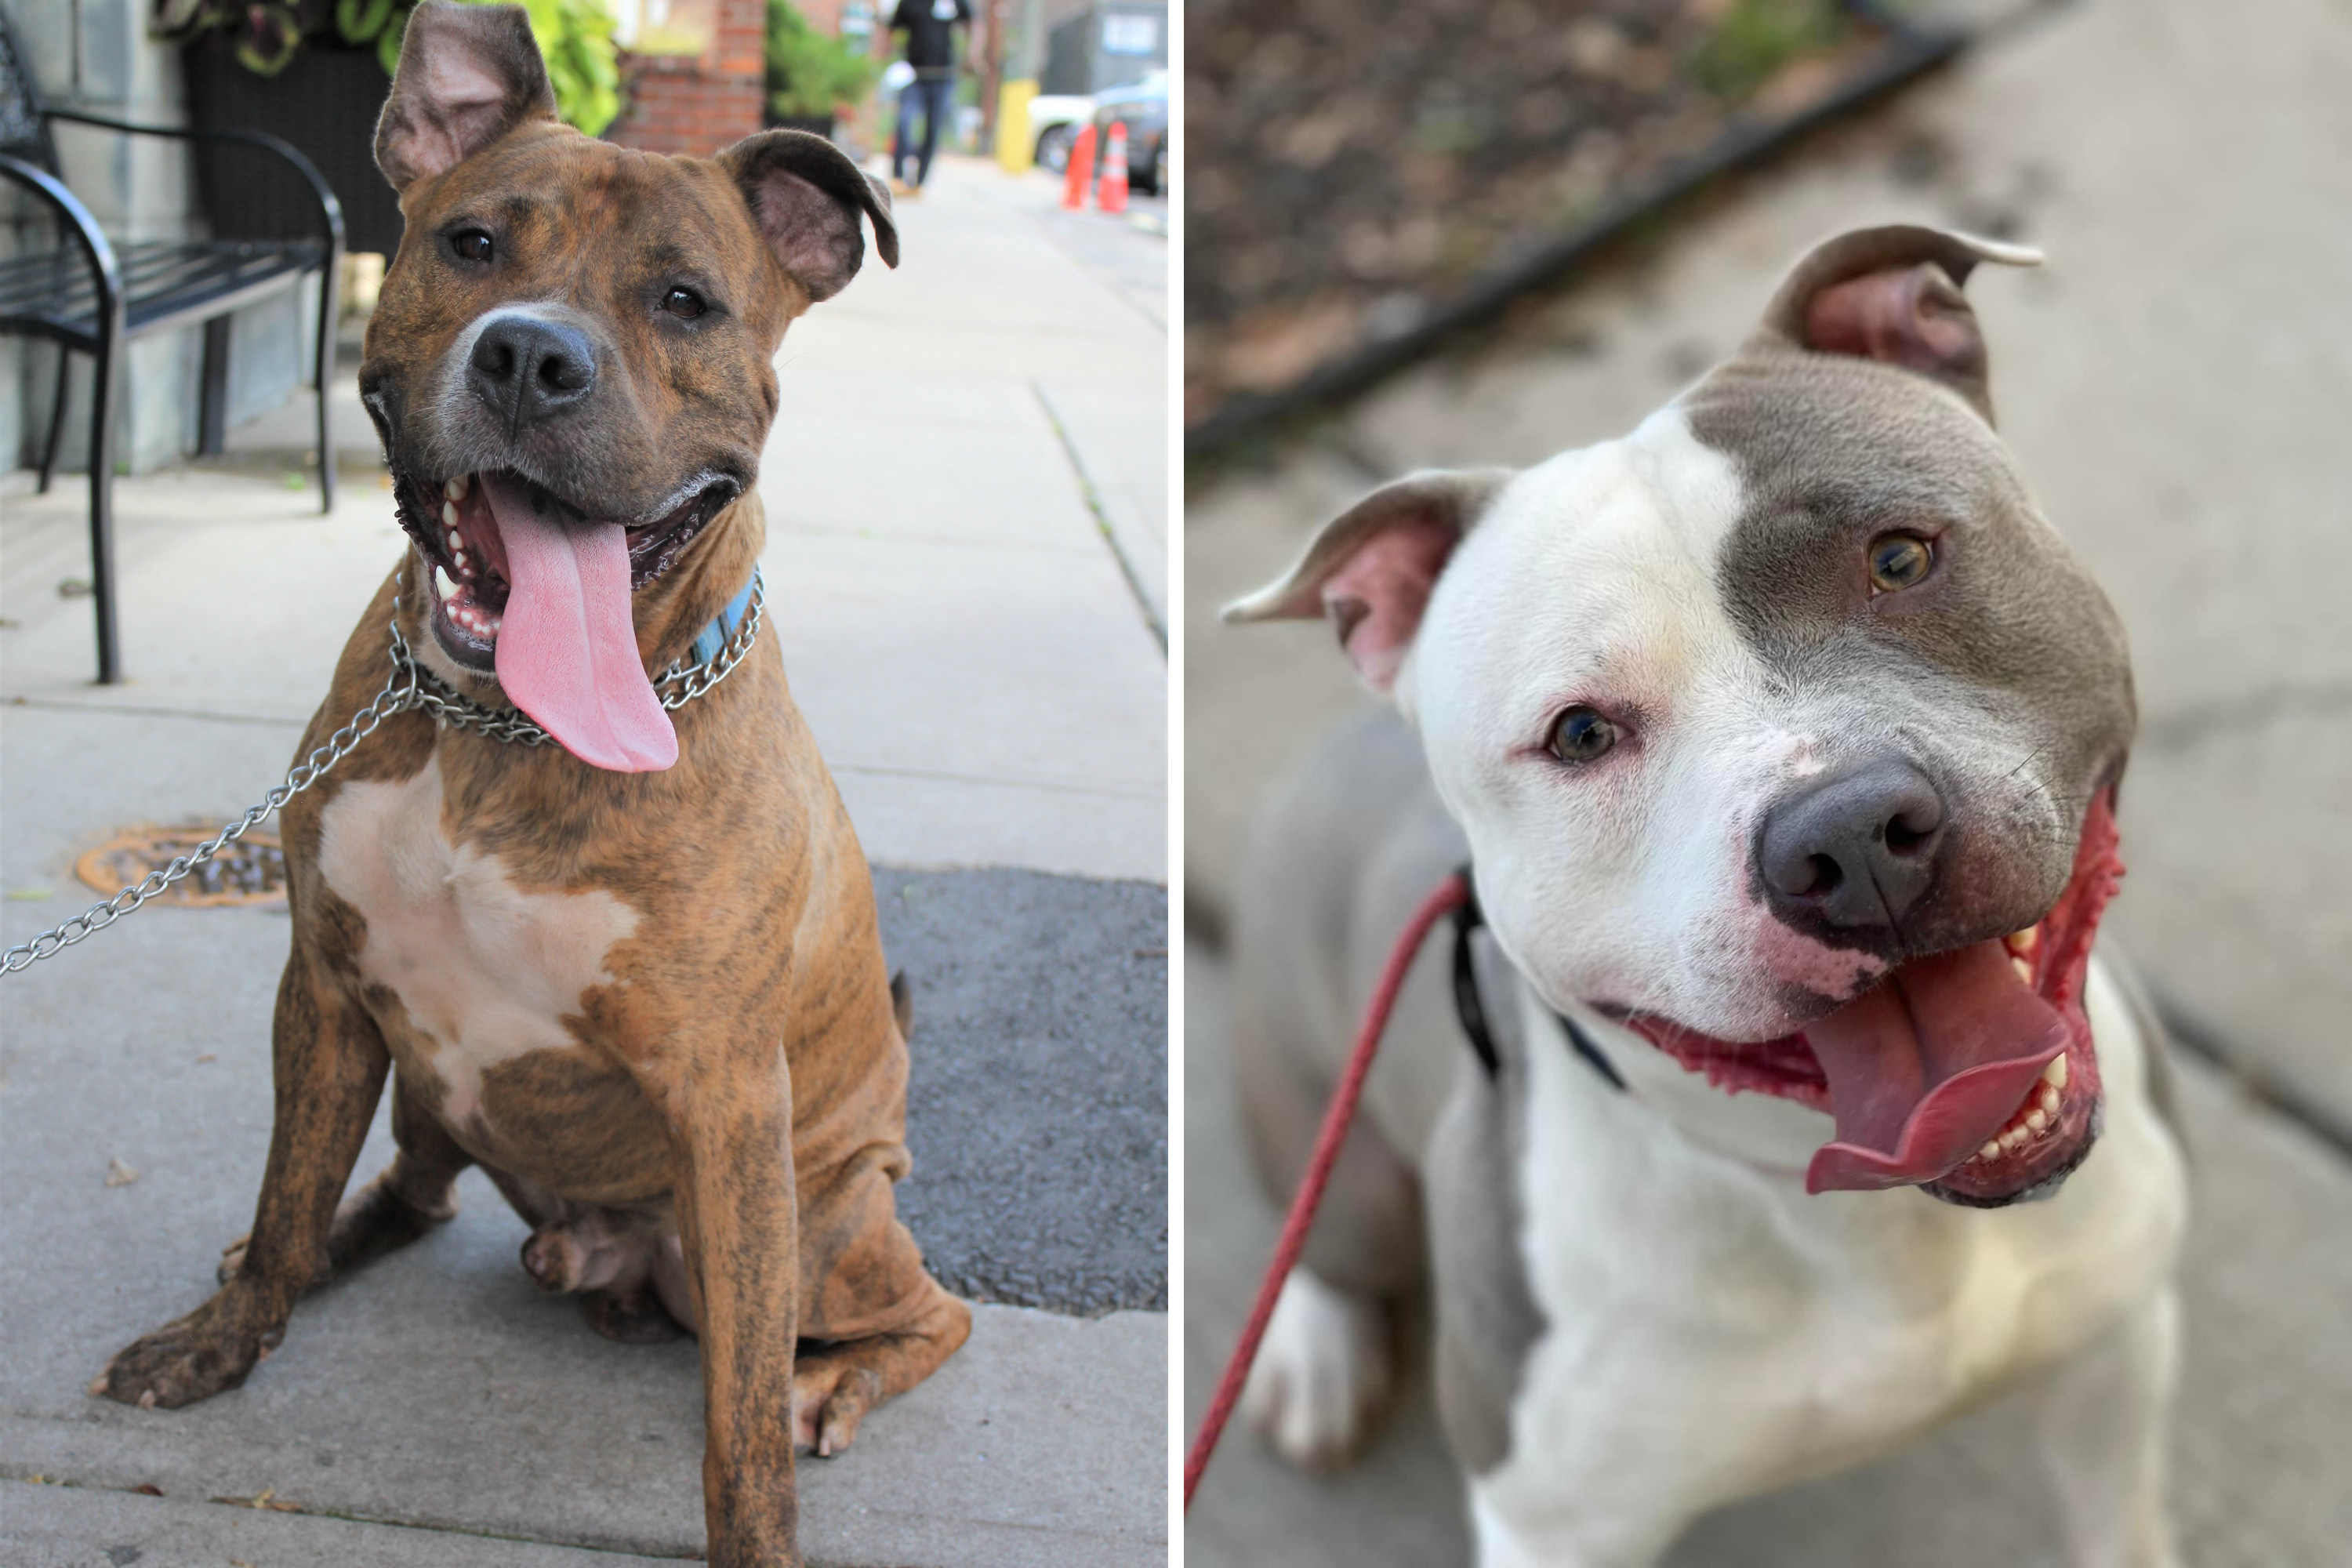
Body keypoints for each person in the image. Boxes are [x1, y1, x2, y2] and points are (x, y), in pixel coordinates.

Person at [885, 0, 971, 197]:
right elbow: (892, 28)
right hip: (913, 75)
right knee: (904, 121)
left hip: (943, 76)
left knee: (933, 129)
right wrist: (886, 54)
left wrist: (971, 53)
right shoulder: (910, 3)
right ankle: (898, 177)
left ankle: (919, 183)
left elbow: (972, 22)